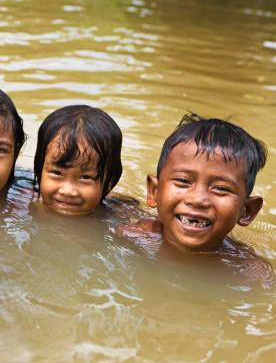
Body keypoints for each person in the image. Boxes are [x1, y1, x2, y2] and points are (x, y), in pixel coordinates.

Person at [120, 114, 273, 283]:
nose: (198, 199)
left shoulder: (249, 271)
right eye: (183, 181)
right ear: (154, 192)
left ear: (246, 212)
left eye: (221, 188)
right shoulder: (134, 235)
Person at [33, 105, 122, 216]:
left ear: (109, 182)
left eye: (85, 177)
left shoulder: (119, 217)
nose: (68, 191)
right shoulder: (22, 201)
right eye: (57, 173)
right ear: (40, 170)